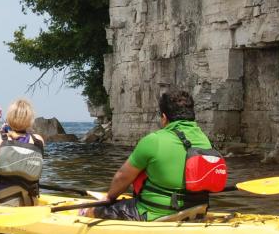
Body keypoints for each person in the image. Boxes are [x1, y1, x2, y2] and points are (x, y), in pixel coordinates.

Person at [83, 90, 219, 221]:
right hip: (196, 208)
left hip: (155, 212)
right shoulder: (204, 139)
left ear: (164, 117)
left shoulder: (154, 140)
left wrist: (109, 198)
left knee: (92, 211)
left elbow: (122, 177)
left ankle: (85, 213)